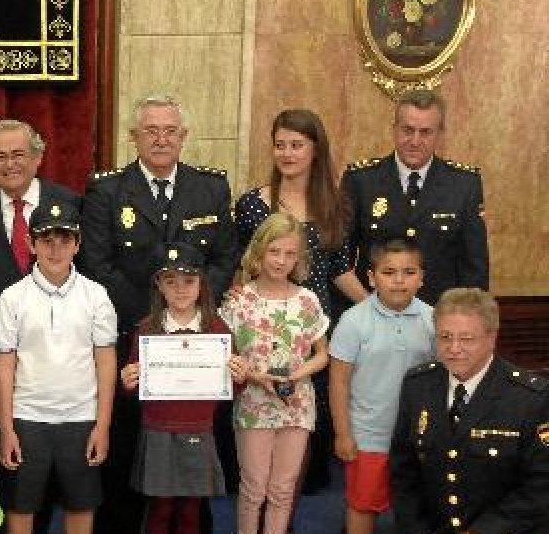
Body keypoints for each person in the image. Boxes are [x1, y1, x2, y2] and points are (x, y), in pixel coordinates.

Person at [82, 94, 237, 532]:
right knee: (132, 449)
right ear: (134, 137)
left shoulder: (210, 188)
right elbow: (98, 265)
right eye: (151, 130)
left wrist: (196, 310)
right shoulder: (107, 190)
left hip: (196, 341)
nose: (161, 139)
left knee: (193, 455)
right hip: (132, 337)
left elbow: (225, 258)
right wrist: (152, 323)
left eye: (170, 130)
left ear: (184, 137)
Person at [234, 108, 368, 493]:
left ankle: (287, 513)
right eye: (280, 145)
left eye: (297, 145)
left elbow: (341, 271)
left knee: (303, 429)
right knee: (261, 432)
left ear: (315, 150)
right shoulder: (252, 205)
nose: (287, 153)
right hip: (262, 332)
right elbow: (243, 268)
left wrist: (380, 308)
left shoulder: (336, 206)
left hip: (315, 334)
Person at [0, 200, 118, 534]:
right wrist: (6, 429)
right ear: (30, 243)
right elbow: (3, 367)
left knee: (80, 507)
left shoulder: (97, 296)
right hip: (26, 418)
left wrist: (102, 426)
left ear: (78, 244)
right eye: (46, 239)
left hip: (81, 418)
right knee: (20, 508)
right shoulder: (11, 298)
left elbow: (105, 363)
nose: (55, 248)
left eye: (65, 239)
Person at [391, 287, 549, 534]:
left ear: (491, 337)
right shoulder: (418, 385)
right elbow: (404, 471)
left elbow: (541, 485)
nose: (454, 348)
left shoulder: (530, 398)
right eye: (445, 337)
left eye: (466, 339)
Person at [118, 243, 248, 534]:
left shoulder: (217, 330)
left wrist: (239, 378)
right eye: (170, 282)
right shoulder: (147, 330)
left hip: (199, 429)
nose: (180, 290)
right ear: (159, 286)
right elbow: (133, 386)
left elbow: (233, 388)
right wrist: (127, 382)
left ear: (201, 284)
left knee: (191, 509)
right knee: (160, 509)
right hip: (158, 430)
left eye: (189, 281)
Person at [219, 213, 330, 534]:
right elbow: (227, 354)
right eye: (274, 251)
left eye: (290, 253)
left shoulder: (306, 300)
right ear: (259, 251)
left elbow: (322, 354)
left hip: (296, 405)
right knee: (253, 487)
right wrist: (255, 376)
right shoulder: (240, 300)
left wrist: (297, 374)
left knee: (283, 488)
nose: (281, 261)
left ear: (299, 258)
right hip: (253, 404)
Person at [342, 89, 488, 307]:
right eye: (407, 130)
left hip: (438, 322)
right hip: (373, 321)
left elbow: (474, 269)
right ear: (394, 129)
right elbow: (340, 260)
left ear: (440, 134)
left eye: (426, 132)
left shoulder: (464, 185)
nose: (415, 141)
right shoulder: (361, 181)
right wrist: (368, 309)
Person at [328, 239, 435, 534]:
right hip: (368, 437)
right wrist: (343, 434)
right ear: (372, 278)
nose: (399, 281)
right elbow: (338, 382)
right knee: (362, 505)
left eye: (409, 272)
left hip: (419, 438)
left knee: (418, 508)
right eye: (388, 273)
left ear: (422, 278)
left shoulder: (434, 320)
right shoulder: (352, 322)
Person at [0, 119, 80, 318]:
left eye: (18, 155)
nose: (10, 164)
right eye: (0, 156)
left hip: (55, 328)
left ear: (37, 157)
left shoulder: (69, 202)